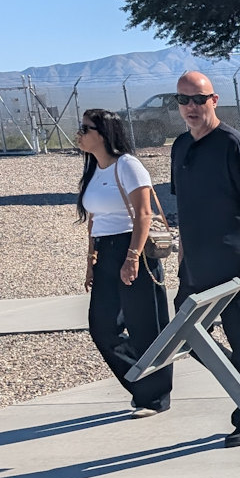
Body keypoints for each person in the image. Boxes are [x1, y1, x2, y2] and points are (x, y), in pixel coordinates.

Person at [169, 70, 240, 447]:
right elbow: (186, 208)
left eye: (199, 99)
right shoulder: (180, 147)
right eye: (183, 100)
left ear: (215, 100)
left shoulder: (234, 145)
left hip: (235, 266)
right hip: (196, 267)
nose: (191, 107)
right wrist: (183, 260)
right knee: (184, 338)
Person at [76, 108, 172, 416]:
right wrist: (91, 260)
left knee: (145, 327)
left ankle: (155, 397)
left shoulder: (128, 166)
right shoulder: (94, 169)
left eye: (85, 128)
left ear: (102, 134)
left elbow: (144, 214)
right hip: (105, 251)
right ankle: (143, 384)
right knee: (102, 327)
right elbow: (94, 220)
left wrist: (132, 257)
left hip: (133, 248)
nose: (80, 134)